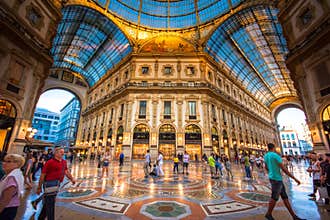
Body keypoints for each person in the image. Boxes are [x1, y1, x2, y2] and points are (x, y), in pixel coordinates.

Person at [264, 143, 305, 220]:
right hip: (277, 179)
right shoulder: (275, 155)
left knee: (285, 197)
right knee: (274, 197)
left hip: (273, 178)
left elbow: (266, 167)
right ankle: (268, 214)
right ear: (274, 148)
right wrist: (295, 178)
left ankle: (294, 216)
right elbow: (284, 169)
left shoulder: (266, 156)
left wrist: (271, 172)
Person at [36, 147, 75, 220]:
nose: (63, 153)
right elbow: (43, 175)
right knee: (50, 203)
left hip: (57, 184)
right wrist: (39, 187)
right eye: (61, 152)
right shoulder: (49, 162)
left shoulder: (64, 162)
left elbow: (66, 171)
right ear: (55, 153)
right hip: (49, 183)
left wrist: (72, 178)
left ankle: (41, 217)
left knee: (48, 202)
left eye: (63, 152)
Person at [0, 154, 25, 220]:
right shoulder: (17, 174)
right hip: (11, 207)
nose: (4, 163)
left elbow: (5, 200)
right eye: (4, 161)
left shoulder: (12, 177)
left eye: (8, 162)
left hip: (6, 209)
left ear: (17, 164)